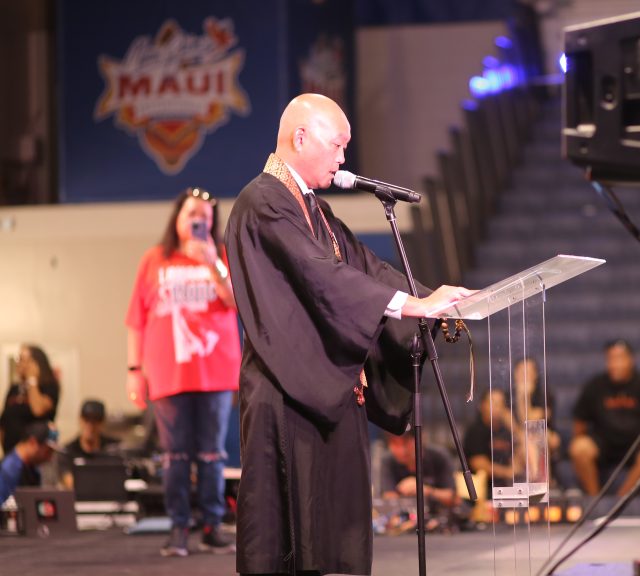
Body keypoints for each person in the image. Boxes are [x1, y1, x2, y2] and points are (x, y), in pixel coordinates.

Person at [225, 93, 472, 576]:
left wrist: (433, 302)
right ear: (300, 138)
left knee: (329, 538)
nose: (343, 159)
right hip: (284, 391)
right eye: (337, 145)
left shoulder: (313, 210)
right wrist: (414, 306)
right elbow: (323, 277)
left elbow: (368, 268)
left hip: (326, 391)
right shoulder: (263, 201)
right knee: (288, 541)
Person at [125, 186, 241, 557]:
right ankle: (177, 528)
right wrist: (133, 369)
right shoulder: (154, 260)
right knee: (174, 455)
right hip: (167, 373)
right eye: (190, 213)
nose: (196, 220)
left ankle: (211, 526)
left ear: (212, 224)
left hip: (215, 371)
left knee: (211, 454)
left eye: (204, 216)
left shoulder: (221, 257)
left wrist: (213, 264)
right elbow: (136, 320)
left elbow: (238, 302)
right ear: (176, 218)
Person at [570, 340, 640, 497]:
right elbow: (580, 419)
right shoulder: (595, 385)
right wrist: (579, 439)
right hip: (603, 443)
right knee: (579, 448)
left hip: (638, 443)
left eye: (620, 358)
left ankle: (621, 498)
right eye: (611, 359)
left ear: (631, 360)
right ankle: (594, 499)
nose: (615, 363)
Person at [1, 344, 60, 488]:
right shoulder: (14, 389)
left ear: (36, 363)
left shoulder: (49, 386)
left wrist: (32, 380)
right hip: (13, 458)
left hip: (38, 461)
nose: (19, 364)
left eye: (22, 359)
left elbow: (38, 409)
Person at [380, 432, 458, 533]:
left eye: (405, 443)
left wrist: (424, 490)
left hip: (439, 522)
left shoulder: (439, 456)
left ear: (419, 440)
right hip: (405, 526)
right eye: (395, 444)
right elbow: (388, 498)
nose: (401, 450)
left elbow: (454, 499)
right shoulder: (388, 461)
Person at [57, 399, 120, 489]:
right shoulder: (67, 451)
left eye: (95, 421)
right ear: (80, 420)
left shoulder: (113, 448)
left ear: (102, 422)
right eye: (86, 420)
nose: (90, 425)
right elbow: (70, 482)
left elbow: (118, 479)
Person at [463, 388, 516, 486]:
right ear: (481, 406)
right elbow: (478, 464)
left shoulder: (507, 430)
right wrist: (508, 472)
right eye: (493, 403)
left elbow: (520, 457)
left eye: (501, 404)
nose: (497, 407)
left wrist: (515, 428)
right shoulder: (476, 430)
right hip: (483, 489)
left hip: (506, 487)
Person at [0, 421, 57, 503]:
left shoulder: (33, 468)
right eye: (48, 451)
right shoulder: (8, 469)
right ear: (32, 443)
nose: (49, 458)